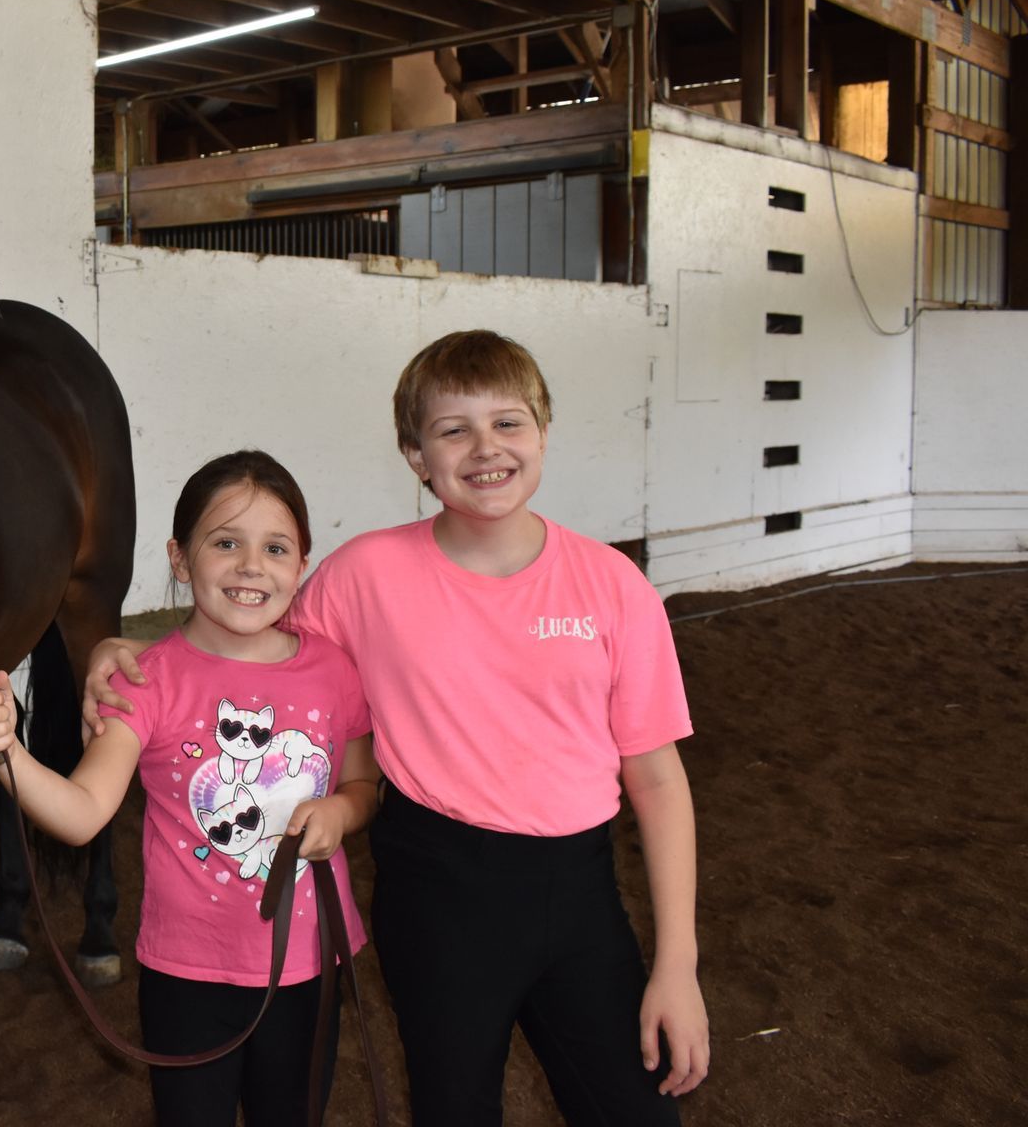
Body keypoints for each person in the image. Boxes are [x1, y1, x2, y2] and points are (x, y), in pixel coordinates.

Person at [85, 331, 710, 1126]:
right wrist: (130, 649)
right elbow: (247, 644)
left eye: (509, 423)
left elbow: (657, 780)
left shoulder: (615, 586)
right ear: (416, 456)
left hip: (581, 898)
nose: (486, 449)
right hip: (439, 893)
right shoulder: (364, 575)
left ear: (544, 432)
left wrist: (679, 965)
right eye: (454, 430)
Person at [0, 450, 379, 1127]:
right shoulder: (146, 680)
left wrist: (343, 808)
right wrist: (6, 751)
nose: (251, 566)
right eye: (225, 543)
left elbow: (366, 784)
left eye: (276, 547)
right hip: (189, 973)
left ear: (302, 564)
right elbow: (82, 814)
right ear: (180, 560)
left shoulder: (334, 671)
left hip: (309, 963)